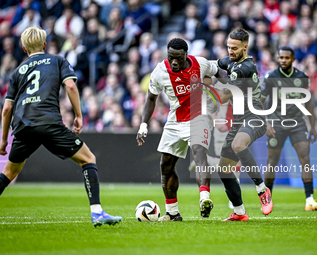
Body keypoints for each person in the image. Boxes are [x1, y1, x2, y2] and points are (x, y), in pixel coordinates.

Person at [0, 27, 122, 227]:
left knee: (8, 173)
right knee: (88, 159)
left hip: (22, 126)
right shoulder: (56, 60)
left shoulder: (17, 71)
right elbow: (71, 86)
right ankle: (97, 212)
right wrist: (79, 116)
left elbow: (6, 109)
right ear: (45, 45)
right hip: (49, 122)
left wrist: (4, 138)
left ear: (23, 48)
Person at [136, 38, 229, 221]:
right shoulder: (161, 71)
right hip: (175, 120)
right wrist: (144, 124)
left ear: (186, 54)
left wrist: (227, 88)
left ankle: (204, 199)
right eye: (171, 57)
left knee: (198, 152)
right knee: (166, 166)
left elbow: (218, 71)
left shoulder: (200, 63)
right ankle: (172, 213)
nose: (174, 62)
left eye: (178, 58)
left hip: (199, 116)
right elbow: (151, 98)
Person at [214, 28, 273, 221]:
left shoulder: (244, 68)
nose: (230, 51)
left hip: (254, 118)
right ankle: (239, 212)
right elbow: (216, 64)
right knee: (223, 168)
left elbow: (224, 96)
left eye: (235, 48)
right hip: (240, 121)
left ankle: (262, 190)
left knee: (238, 145)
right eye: (229, 47)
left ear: (245, 47)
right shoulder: (232, 61)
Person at [261, 46, 317, 211]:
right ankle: (267, 200)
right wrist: (265, 122)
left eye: (287, 58)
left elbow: (307, 102)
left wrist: (312, 126)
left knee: (305, 160)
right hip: (276, 124)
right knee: (271, 162)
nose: (283, 60)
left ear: (293, 59)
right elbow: (259, 101)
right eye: (281, 57)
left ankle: (309, 199)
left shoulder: (302, 77)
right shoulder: (270, 77)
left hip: (298, 124)